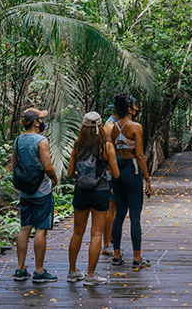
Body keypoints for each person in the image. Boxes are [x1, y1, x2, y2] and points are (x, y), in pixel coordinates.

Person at [66, 111, 120, 286]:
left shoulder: (77, 145)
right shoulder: (106, 146)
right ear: (99, 126)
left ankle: (72, 271)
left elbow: (69, 173)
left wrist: (82, 176)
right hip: (100, 192)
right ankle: (90, 275)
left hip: (81, 192)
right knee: (96, 234)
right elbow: (116, 173)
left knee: (77, 232)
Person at [11, 107, 59, 283]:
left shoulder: (17, 140)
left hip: (25, 191)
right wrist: (54, 178)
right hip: (41, 191)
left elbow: (14, 164)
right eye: (40, 118)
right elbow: (47, 166)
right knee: (41, 229)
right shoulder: (41, 141)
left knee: (25, 227)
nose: (42, 121)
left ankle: (21, 268)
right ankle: (39, 270)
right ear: (36, 122)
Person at [109, 94, 152, 270]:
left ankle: (117, 255)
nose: (137, 108)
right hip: (132, 171)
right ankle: (136, 258)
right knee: (135, 216)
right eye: (135, 105)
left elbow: (112, 152)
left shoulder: (113, 128)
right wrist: (147, 179)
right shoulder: (136, 127)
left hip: (118, 171)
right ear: (129, 108)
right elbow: (140, 155)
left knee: (119, 214)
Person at [100, 102, 119, 256]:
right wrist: (113, 172)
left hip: (113, 171)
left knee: (113, 209)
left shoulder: (116, 125)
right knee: (110, 210)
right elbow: (108, 152)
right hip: (109, 173)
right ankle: (106, 243)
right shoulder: (110, 126)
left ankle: (111, 239)